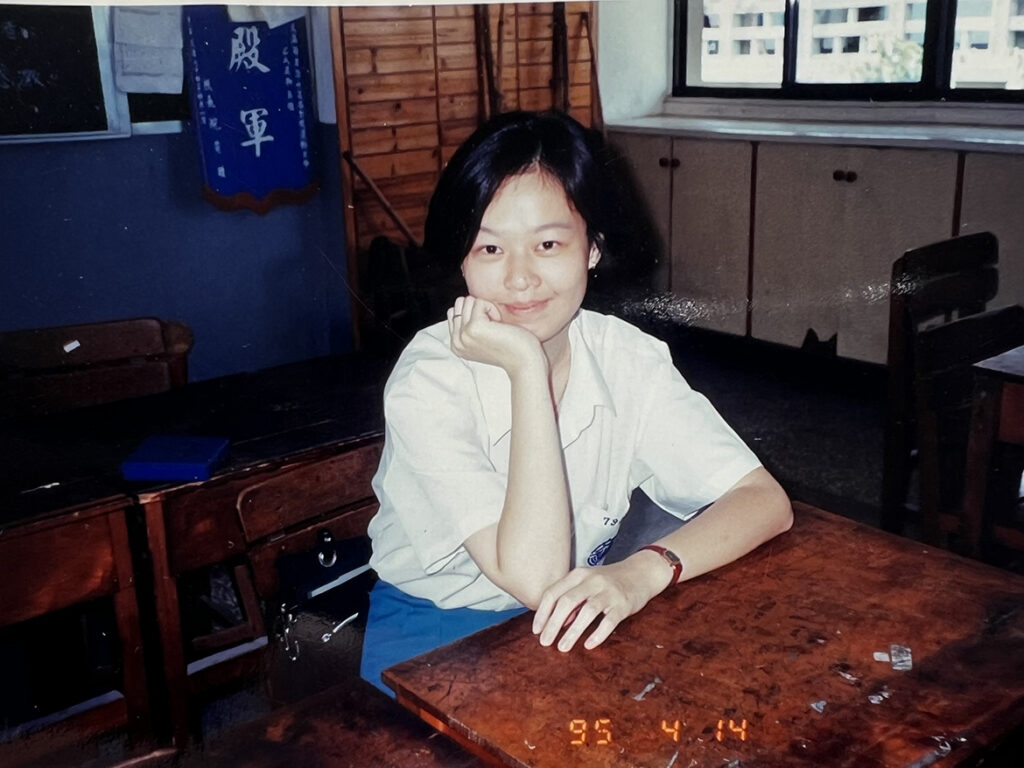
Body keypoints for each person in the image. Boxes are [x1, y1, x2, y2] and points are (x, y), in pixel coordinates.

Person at [360, 110, 793, 695]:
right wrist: (526, 368)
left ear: (592, 248)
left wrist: (644, 571)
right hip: (433, 631)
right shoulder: (429, 380)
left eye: (548, 244)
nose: (520, 279)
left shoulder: (626, 357)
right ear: (461, 258)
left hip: (571, 615)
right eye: (489, 248)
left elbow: (764, 501)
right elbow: (533, 577)